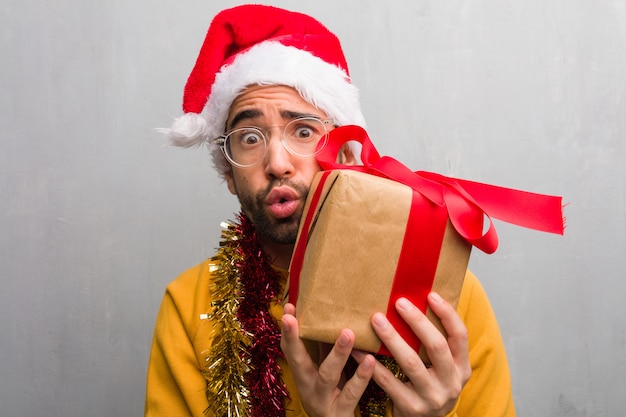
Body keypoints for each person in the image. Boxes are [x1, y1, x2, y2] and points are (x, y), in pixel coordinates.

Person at [145, 4, 515, 417]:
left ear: (348, 154)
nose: (278, 163)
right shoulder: (188, 306)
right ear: (229, 173)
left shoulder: (447, 300)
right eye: (249, 137)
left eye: (303, 131)